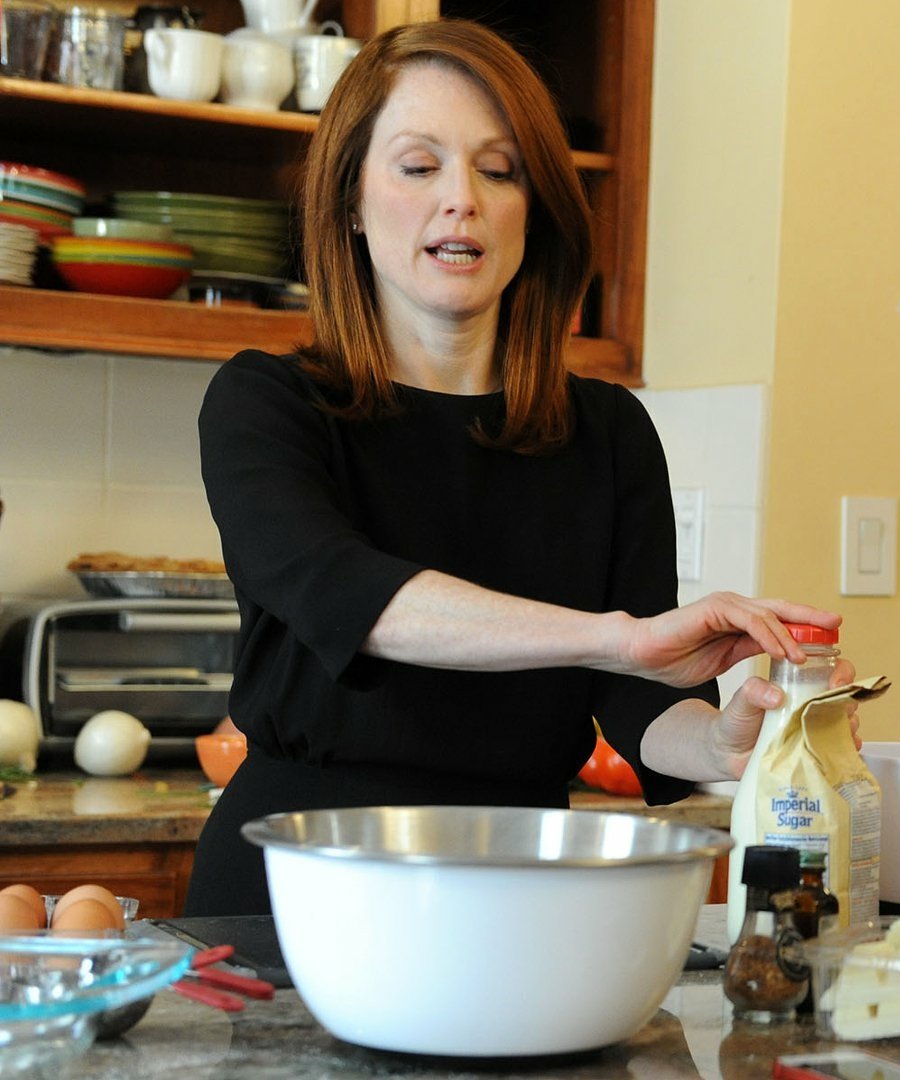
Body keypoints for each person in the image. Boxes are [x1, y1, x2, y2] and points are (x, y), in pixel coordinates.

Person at [188, 19, 839, 916]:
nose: (462, 198)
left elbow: (639, 706)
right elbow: (355, 600)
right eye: (419, 167)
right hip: (296, 889)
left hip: (525, 885)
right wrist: (616, 634)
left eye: (499, 170)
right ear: (349, 199)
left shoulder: (607, 431)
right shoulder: (266, 404)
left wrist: (727, 746)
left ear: (532, 207)